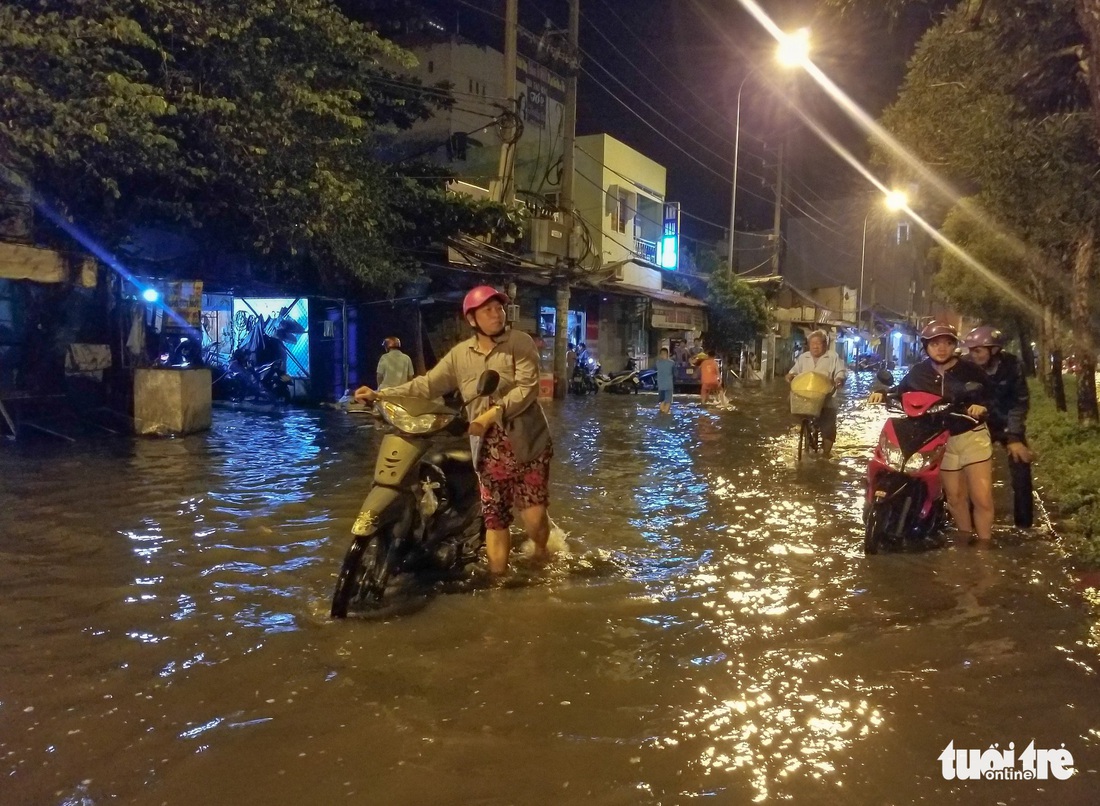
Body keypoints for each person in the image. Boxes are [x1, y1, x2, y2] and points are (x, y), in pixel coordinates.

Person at [354, 287, 552, 574]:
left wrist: (491, 414)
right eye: (488, 310)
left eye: (499, 309)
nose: (497, 314)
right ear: (472, 319)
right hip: (484, 448)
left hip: (526, 444)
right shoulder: (460, 355)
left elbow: (527, 388)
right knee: (495, 520)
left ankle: (542, 551)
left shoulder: (520, 343)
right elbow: (427, 385)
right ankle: (497, 585)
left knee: (534, 520)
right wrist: (380, 395)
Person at [869, 321, 994, 541]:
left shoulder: (970, 370)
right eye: (935, 343)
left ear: (954, 345)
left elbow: (991, 396)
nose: (941, 348)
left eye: (947, 343)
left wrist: (981, 406)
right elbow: (901, 391)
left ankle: (985, 547)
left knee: (982, 497)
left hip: (971, 436)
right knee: (955, 498)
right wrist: (883, 393)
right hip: (938, 440)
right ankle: (965, 543)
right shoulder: (919, 372)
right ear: (926, 346)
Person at [964, 325, 1035, 528]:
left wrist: (1013, 437)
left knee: (1021, 472)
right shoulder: (966, 365)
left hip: (1006, 425)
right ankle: (967, 523)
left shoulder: (1012, 366)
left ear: (993, 350)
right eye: (971, 351)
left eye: (978, 350)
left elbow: (1019, 402)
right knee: (966, 472)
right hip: (977, 425)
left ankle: (1024, 525)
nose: (974, 355)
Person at [785, 330, 848, 457]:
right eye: (812, 343)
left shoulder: (833, 357)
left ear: (825, 344)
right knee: (790, 402)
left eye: (818, 343)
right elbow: (794, 371)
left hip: (825, 396)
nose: (815, 346)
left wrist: (839, 380)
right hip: (805, 397)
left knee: (828, 426)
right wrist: (790, 376)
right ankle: (806, 430)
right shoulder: (803, 357)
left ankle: (825, 455)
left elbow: (841, 372)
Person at [655, 347, 675, 414]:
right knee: (668, 401)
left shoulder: (657, 363)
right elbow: (675, 373)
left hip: (660, 385)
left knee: (662, 401)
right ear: (668, 354)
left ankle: (662, 414)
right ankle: (665, 415)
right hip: (669, 385)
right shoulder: (672, 363)